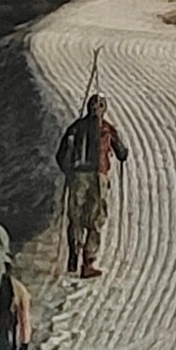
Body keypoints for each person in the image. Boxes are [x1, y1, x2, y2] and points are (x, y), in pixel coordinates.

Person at [55, 93, 128, 279]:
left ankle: (74, 252)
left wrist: (68, 171)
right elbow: (121, 153)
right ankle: (88, 260)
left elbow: (61, 154)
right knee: (96, 218)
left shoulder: (75, 127)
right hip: (97, 176)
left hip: (78, 175)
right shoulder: (107, 129)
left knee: (76, 215)